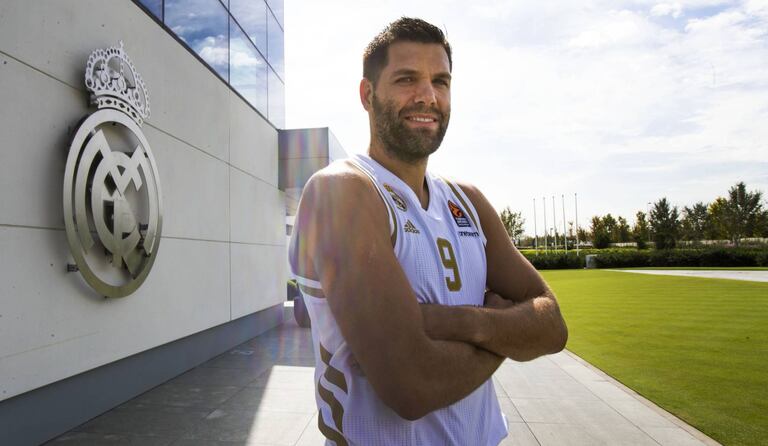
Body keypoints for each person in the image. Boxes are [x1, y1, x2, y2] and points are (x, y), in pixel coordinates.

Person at [289, 17, 568, 446]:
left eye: (441, 81)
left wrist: (460, 322)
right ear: (368, 95)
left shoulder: (469, 202)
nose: (428, 96)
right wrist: (506, 331)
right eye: (406, 79)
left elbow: (552, 326)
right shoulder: (341, 191)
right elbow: (412, 385)